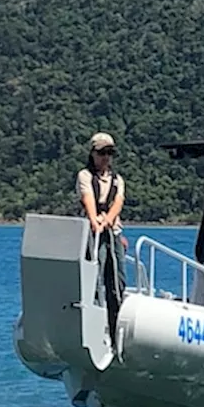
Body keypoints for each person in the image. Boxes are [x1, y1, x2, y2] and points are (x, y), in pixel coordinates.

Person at [77, 132, 127, 319]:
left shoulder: (117, 180)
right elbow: (87, 198)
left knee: (117, 278)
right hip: (93, 233)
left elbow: (118, 202)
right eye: (102, 153)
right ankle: (94, 317)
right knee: (96, 276)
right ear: (93, 154)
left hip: (111, 230)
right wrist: (94, 220)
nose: (106, 157)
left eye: (109, 153)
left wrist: (107, 221)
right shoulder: (85, 176)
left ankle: (116, 322)